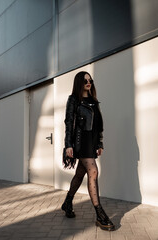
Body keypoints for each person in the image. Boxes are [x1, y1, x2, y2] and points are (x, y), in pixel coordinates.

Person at [61, 71, 115, 231]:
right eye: (85, 80)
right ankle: (99, 213)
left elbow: (99, 126)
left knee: (80, 174)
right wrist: (68, 145)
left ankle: (67, 202)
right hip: (80, 141)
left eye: (90, 80)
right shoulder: (73, 100)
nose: (88, 82)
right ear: (79, 82)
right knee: (93, 172)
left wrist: (99, 143)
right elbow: (69, 122)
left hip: (91, 142)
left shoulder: (94, 101)